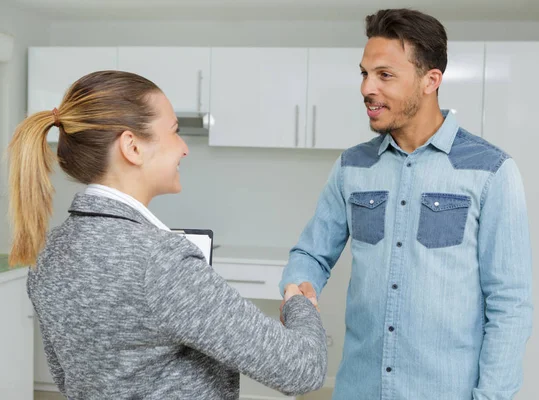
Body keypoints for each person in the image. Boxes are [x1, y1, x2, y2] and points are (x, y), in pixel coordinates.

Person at [9, 70, 326, 400]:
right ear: (132, 147)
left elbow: (68, 378)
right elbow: (301, 369)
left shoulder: (48, 253)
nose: (184, 148)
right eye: (174, 132)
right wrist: (298, 304)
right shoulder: (160, 261)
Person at [280, 8, 532, 400]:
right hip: (358, 389)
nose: (367, 88)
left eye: (385, 75)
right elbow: (310, 254)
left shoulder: (492, 171)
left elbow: (510, 305)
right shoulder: (352, 166)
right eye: (365, 73)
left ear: (431, 80)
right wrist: (299, 294)